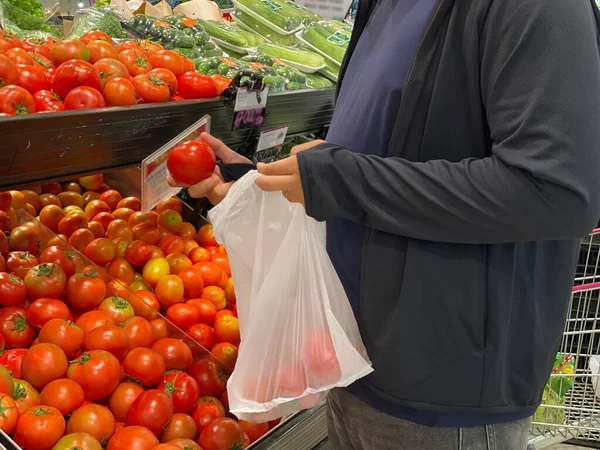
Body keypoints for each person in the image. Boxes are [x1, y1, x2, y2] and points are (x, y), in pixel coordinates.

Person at [170, 0, 600, 448]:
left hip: (444, 399)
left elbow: (555, 191)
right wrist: (257, 180)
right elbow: (381, 155)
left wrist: (343, 179)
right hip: (352, 361)